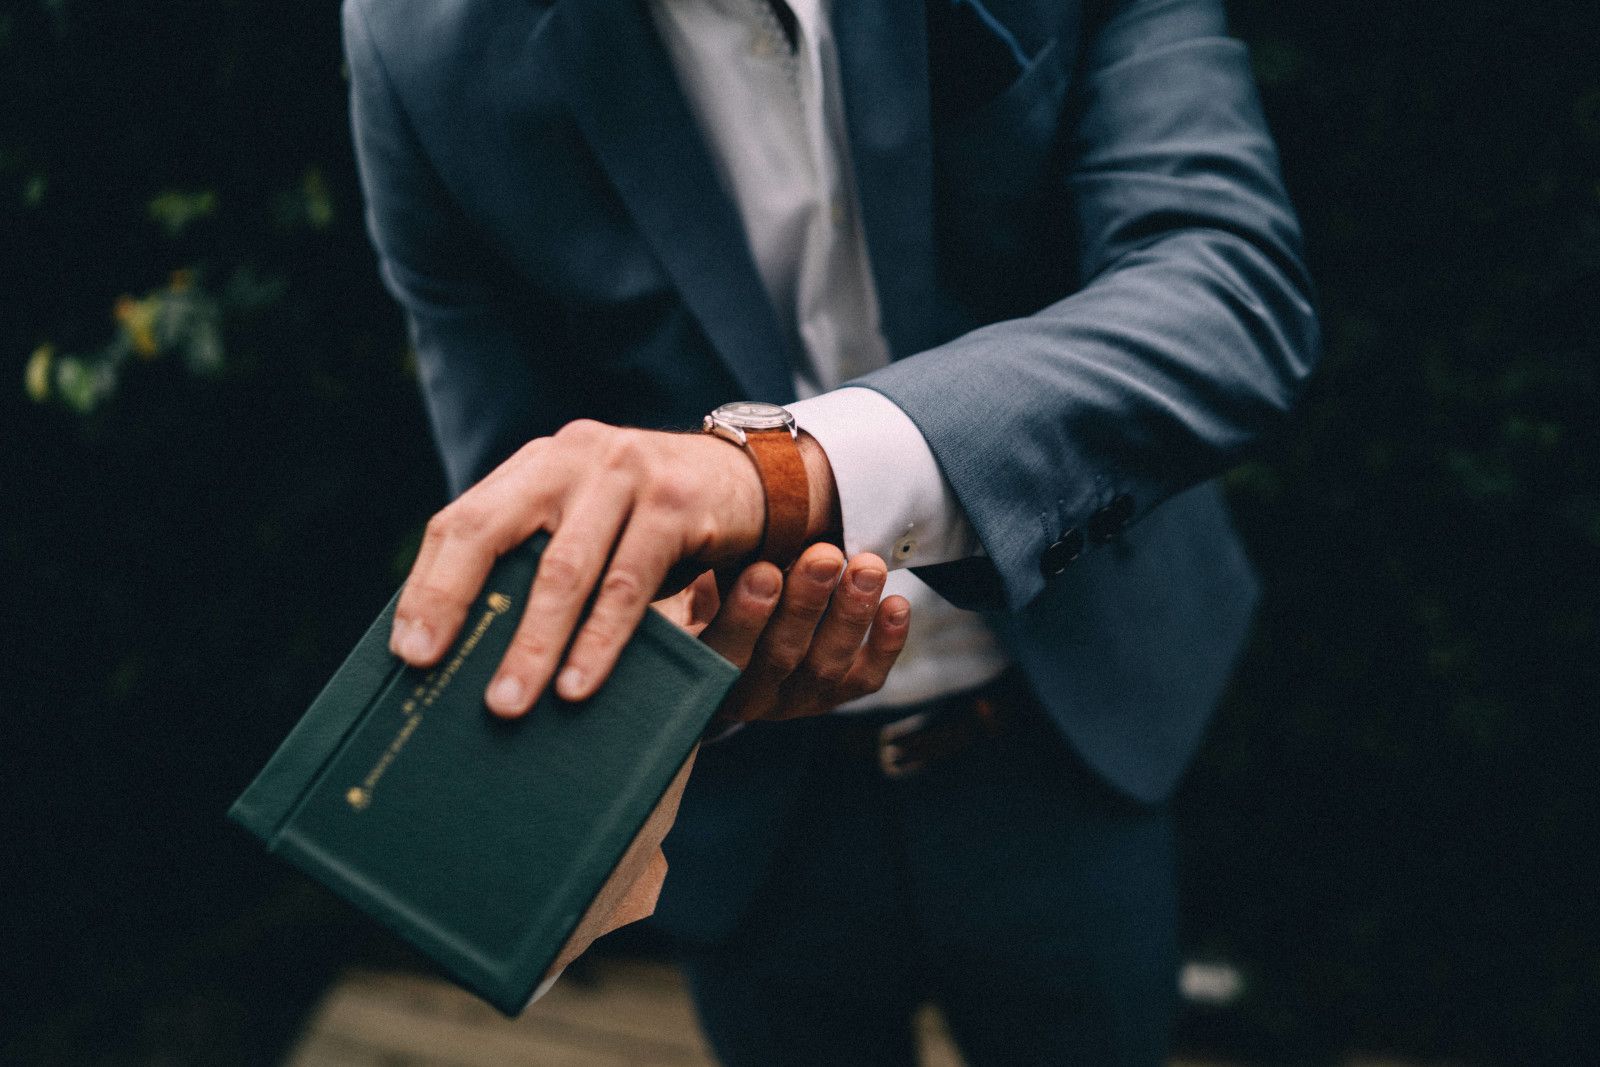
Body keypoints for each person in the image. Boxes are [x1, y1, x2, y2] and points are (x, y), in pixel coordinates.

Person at [341, 0, 1318, 1062]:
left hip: (1069, 720)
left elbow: (1225, 289)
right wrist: (647, 664)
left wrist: (780, 476)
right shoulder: (414, 42)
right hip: (748, 805)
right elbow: (524, 494)